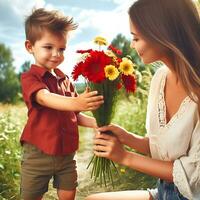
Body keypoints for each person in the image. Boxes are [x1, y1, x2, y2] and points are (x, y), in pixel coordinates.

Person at [86, 0, 200, 199]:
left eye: (136, 37)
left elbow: (191, 176)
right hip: (164, 192)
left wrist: (124, 157)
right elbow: (161, 149)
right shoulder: (160, 78)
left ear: (161, 34)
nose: (132, 44)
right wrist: (127, 137)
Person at [20, 8, 104, 200]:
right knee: (31, 195)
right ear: (30, 46)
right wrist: (77, 101)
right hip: (38, 153)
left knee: (68, 193)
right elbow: (44, 97)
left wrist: (95, 122)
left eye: (62, 48)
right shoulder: (30, 77)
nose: (56, 54)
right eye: (48, 47)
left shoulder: (64, 79)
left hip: (66, 154)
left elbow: (75, 112)